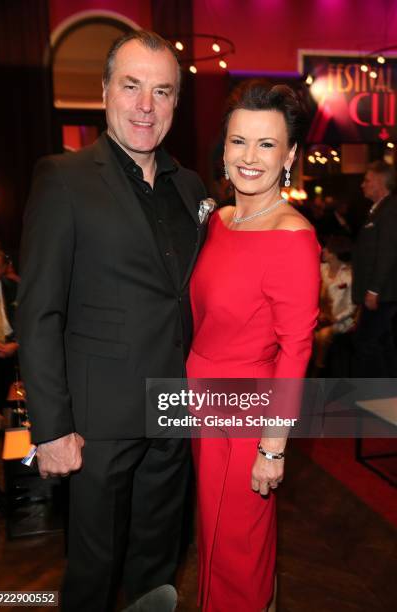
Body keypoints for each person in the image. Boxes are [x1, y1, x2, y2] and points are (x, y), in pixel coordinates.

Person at [17, 30, 206, 612]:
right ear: (104, 92)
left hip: (173, 415)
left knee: (158, 566)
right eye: (132, 86)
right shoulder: (65, 178)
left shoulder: (192, 188)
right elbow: (39, 310)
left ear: (176, 102)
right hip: (96, 427)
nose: (146, 105)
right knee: (94, 575)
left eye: (162, 91)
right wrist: (49, 428)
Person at [186, 81, 320, 612]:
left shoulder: (292, 237)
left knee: (237, 550)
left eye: (266, 145)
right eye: (239, 141)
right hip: (201, 405)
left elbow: (295, 352)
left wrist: (272, 447)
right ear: (223, 148)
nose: (249, 157)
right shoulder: (218, 220)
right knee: (212, 542)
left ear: (289, 155)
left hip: (244, 420)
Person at [352, 161, 397, 377]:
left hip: (383, 293)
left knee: (366, 344)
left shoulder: (390, 209)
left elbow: (387, 252)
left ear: (379, 182)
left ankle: (375, 394)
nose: (363, 185)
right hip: (381, 293)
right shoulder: (379, 209)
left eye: (367, 180)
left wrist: (374, 290)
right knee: (381, 343)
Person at [313, 235, 356, 374]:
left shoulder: (349, 276)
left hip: (342, 320)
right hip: (318, 316)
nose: (323, 250)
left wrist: (333, 319)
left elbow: (352, 306)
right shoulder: (319, 269)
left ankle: (317, 371)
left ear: (336, 253)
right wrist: (318, 314)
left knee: (323, 336)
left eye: (328, 249)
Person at [0, 247, 19, 424]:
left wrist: (17, 344)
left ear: (4, 267)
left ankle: (14, 417)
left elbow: (29, 319)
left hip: (12, 341)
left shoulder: (15, 287)